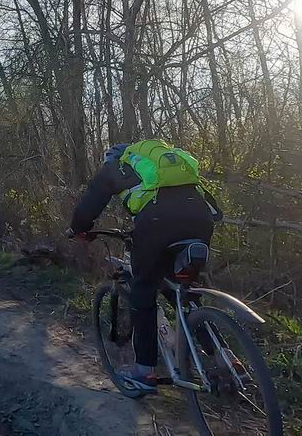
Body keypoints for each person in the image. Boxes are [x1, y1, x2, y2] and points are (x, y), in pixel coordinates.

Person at [66, 140, 222, 394]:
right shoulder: (169, 165)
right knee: (181, 288)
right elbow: (216, 211)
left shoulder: (116, 166)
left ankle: (144, 371)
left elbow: (91, 202)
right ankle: (225, 356)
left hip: (156, 222)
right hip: (201, 219)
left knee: (143, 291)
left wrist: (79, 229)